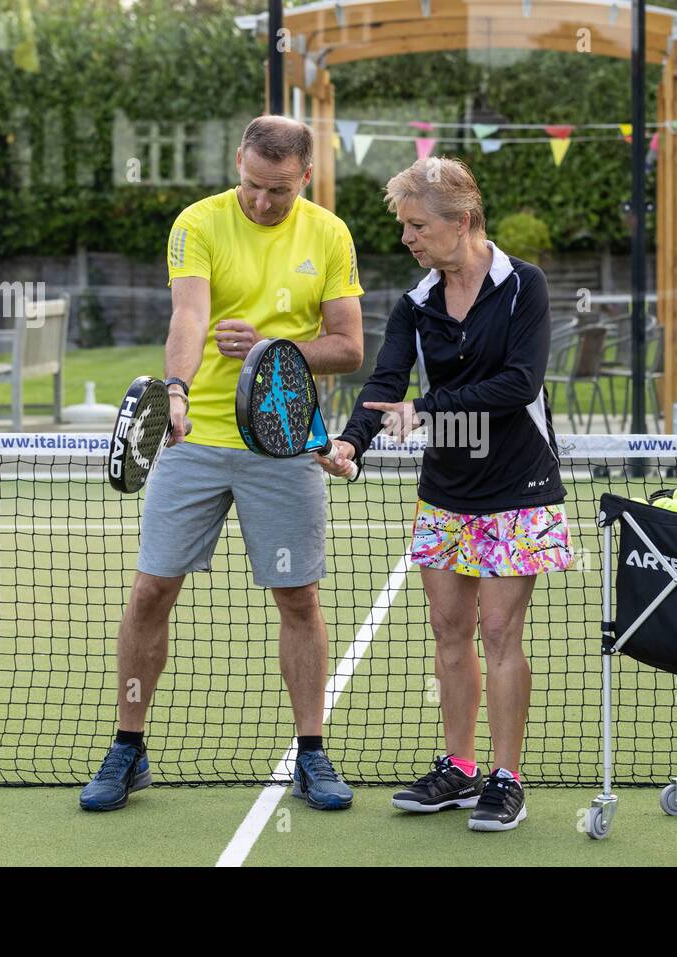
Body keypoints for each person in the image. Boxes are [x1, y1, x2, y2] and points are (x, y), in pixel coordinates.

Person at [80, 115, 364, 812]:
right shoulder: (197, 222)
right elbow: (188, 317)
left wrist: (271, 346)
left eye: (279, 191)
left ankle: (312, 753)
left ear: (305, 176)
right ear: (238, 161)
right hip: (195, 437)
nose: (264, 203)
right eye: (252, 185)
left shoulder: (329, 234)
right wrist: (175, 390)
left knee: (297, 598)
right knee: (151, 591)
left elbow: (350, 347)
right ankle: (128, 746)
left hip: (285, 438)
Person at [317, 157, 571, 831]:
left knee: (499, 632)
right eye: (404, 225)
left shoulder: (524, 288)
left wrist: (425, 409)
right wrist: (350, 444)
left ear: (462, 222)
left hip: (520, 486)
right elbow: (384, 382)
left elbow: (520, 384)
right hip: (446, 492)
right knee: (449, 631)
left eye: (418, 225)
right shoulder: (416, 304)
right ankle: (460, 768)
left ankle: (506, 776)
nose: (408, 237)